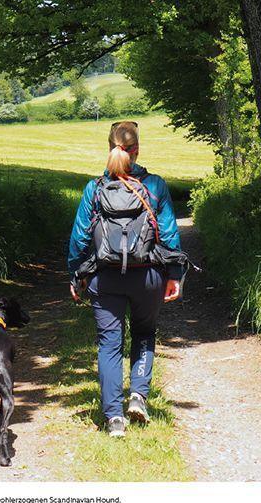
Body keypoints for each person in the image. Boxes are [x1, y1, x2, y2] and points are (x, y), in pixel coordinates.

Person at [67, 120, 183, 438]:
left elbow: (79, 238)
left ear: (110, 149)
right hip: (148, 276)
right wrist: (175, 274)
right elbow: (170, 235)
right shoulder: (155, 186)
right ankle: (138, 397)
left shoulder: (95, 189)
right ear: (137, 150)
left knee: (109, 344)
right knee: (144, 334)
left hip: (105, 280)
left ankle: (114, 418)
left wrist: (76, 275)